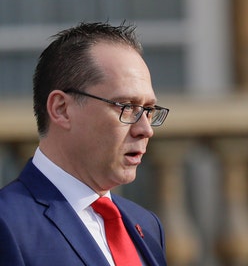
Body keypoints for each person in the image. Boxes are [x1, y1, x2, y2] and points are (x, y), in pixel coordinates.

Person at [0, 22, 169, 266]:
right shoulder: (9, 224)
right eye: (126, 107)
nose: (146, 130)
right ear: (62, 109)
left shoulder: (146, 225)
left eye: (149, 110)